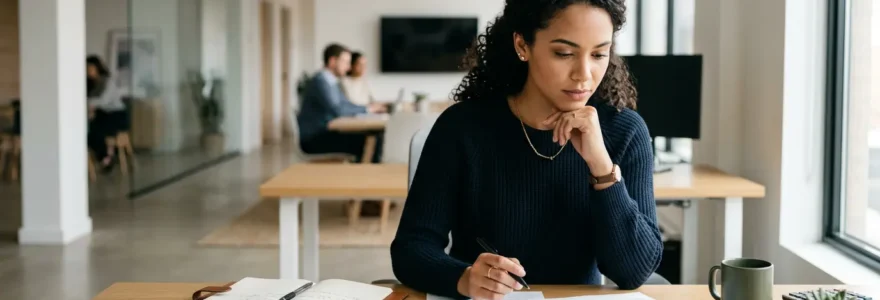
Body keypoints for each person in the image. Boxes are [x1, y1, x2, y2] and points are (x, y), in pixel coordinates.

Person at [389, 0, 663, 299]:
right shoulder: (462, 128)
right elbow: (411, 247)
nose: (584, 74)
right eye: (564, 53)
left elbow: (634, 271)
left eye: (599, 54)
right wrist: (463, 277)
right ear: (522, 45)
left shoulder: (625, 131)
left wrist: (601, 166)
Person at [298, 44, 387, 163]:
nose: (348, 67)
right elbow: (338, 110)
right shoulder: (321, 82)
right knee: (369, 141)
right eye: (345, 62)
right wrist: (368, 110)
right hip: (314, 139)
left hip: (323, 133)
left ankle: (363, 175)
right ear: (332, 61)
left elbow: (346, 104)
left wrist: (368, 108)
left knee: (373, 137)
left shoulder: (330, 81)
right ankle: (366, 177)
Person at [86, 55, 128, 171]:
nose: (89, 72)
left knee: (96, 130)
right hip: (101, 115)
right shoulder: (90, 85)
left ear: (97, 68)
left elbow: (103, 101)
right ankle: (106, 155)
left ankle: (107, 156)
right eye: (87, 69)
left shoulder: (108, 82)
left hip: (116, 115)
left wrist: (88, 103)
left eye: (91, 68)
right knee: (88, 131)